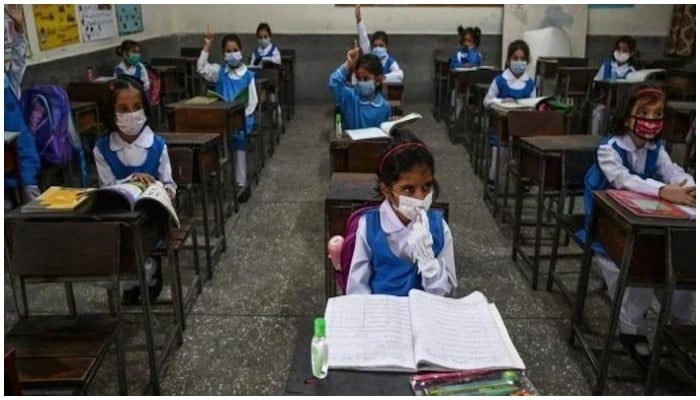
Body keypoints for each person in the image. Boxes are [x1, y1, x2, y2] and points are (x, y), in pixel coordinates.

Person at [579, 83, 696, 370]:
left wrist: (689, 187)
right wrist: (662, 191)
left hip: (649, 224)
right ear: (627, 115)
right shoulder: (610, 148)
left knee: (683, 264)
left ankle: (682, 326)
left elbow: (674, 173)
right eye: (643, 112)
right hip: (609, 225)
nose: (651, 120)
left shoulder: (657, 149)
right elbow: (624, 181)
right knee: (636, 275)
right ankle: (632, 330)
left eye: (657, 114)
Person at [93, 77, 176, 305]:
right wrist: (130, 180)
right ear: (112, 114)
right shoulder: (102, 148)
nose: (131, 114)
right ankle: (133, 278)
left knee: (142, 241)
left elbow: (169, 184)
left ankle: (149, 271)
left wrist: (164, 192)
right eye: (123, 109)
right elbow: (107, 186)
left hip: (151, 217)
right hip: (120, 216)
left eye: (137, 107)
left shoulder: (157, 145)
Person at [346, 130, 457, 296]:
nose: (420, 197)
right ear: (387, 190)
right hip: (382, 315)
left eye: (426, 186)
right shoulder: (369, 228)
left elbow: (446, 295)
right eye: (408, 189)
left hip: (424, 315)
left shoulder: (439, 228)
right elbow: (357, 289)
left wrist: (428, 262)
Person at [197, 26, 258, 202]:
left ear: (241, 51)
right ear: (223, 53)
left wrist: (239, 118)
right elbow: (201, 68)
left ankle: (240, 183)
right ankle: (218, 177)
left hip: (242, 119)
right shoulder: (219, 72)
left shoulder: (248, 75)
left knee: (238, 139)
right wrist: (207, 45)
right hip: (221, 118)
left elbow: (252, 102)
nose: (232, 54)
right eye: (228, 51)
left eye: (235, 50)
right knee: (214, 139)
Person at [483, 39, 535, 186]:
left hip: (522, 129)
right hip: (501, 129)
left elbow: (533, 105)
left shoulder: (530, 84)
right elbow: (487, 101)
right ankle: (492, 180)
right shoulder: (499, 81)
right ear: (508, 60)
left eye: (523, 59)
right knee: (500, 154)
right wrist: (501, 102)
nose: (519, 62)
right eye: (515, 58)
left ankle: (524, 179)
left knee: (526, 151)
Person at [4, 4, 40, 211]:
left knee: (32, 201)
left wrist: (18, 27)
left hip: (23, 155)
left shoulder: (10, 83)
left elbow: (19, 58)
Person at [329, 41, 392, 130]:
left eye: (366, 79)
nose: (361, 82)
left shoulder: (385, 107)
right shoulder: (350, 97)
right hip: (352, 143)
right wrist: (348, 63)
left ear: (378, 80)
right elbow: (334, 82)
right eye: (358, 78)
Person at [590, 36, 638, 135]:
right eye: (618, 49)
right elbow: (596, 82)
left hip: (622, 107)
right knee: (598, 114)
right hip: (604, 103)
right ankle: (596, 140)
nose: (620, 52)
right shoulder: (607, 65)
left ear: (631, 53)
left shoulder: (632, 71)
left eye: (624, 50)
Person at [354, 4, 404, 83]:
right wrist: (359, 19)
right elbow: (363, 39)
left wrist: (383, 78)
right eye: (375, 45)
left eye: (381, 46)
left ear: (386, 47)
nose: (378, 48)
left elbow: (400, 75)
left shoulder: (390, 61)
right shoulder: (370, 57)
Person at [450, 25, 482, 123]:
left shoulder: (477, 54)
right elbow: (453, 64)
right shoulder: (459, 53)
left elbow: (476, 64)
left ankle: (476, 117)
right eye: (465, 41)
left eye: (469, 41)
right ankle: (455, 117)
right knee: (459, 93)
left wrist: (471, 51)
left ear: (474, 42)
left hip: (473, 82)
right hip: (461, 81)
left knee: (478, 93)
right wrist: (463, 66)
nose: (466, 44)